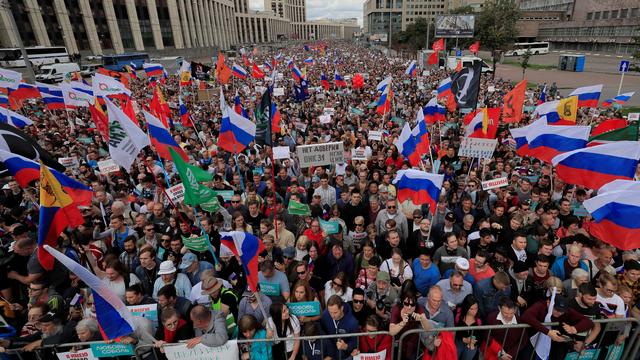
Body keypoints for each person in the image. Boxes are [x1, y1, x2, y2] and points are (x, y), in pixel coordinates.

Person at [521, 294, 593, 360]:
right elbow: (526, 316)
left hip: (555, 345)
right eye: (557, 309)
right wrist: (548, 332)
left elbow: (588, 322)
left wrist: (574, 329)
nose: (560, 313)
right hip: (532, 341)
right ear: (549, 302)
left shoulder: (567, 311)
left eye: (562, 311)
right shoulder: (540, 305)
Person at [389, 289, 434, 359]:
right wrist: (403, 323)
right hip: (398, 343)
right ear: (402, 302)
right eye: (406, 304)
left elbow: (429, 329)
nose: (409, 307)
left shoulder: (419, 308)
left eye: (412, 304)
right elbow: (391, 332)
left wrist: (423, 319)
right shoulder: (396, 308)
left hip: (413, 344)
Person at [320, 295, 359, 360]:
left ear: (342, 308)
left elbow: (355, 343)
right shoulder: (325, 315)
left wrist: (346, 346)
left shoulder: (353, 322)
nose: (332, 316)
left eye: (335, 312)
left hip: (345, 356)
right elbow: (322, 332)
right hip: (329, 355)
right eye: (330, 312)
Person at [454, 295, 483, 360]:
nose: (474, 311)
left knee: (470, 352)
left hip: (473, 343)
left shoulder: (479, 318)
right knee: (456, 351)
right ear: (466, 307)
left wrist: (474, 342)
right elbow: (454, 330)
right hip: (459, 340)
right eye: (471, 309)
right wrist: (463, 339)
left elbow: (481, 335)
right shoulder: (458, 314)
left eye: (476, 308)